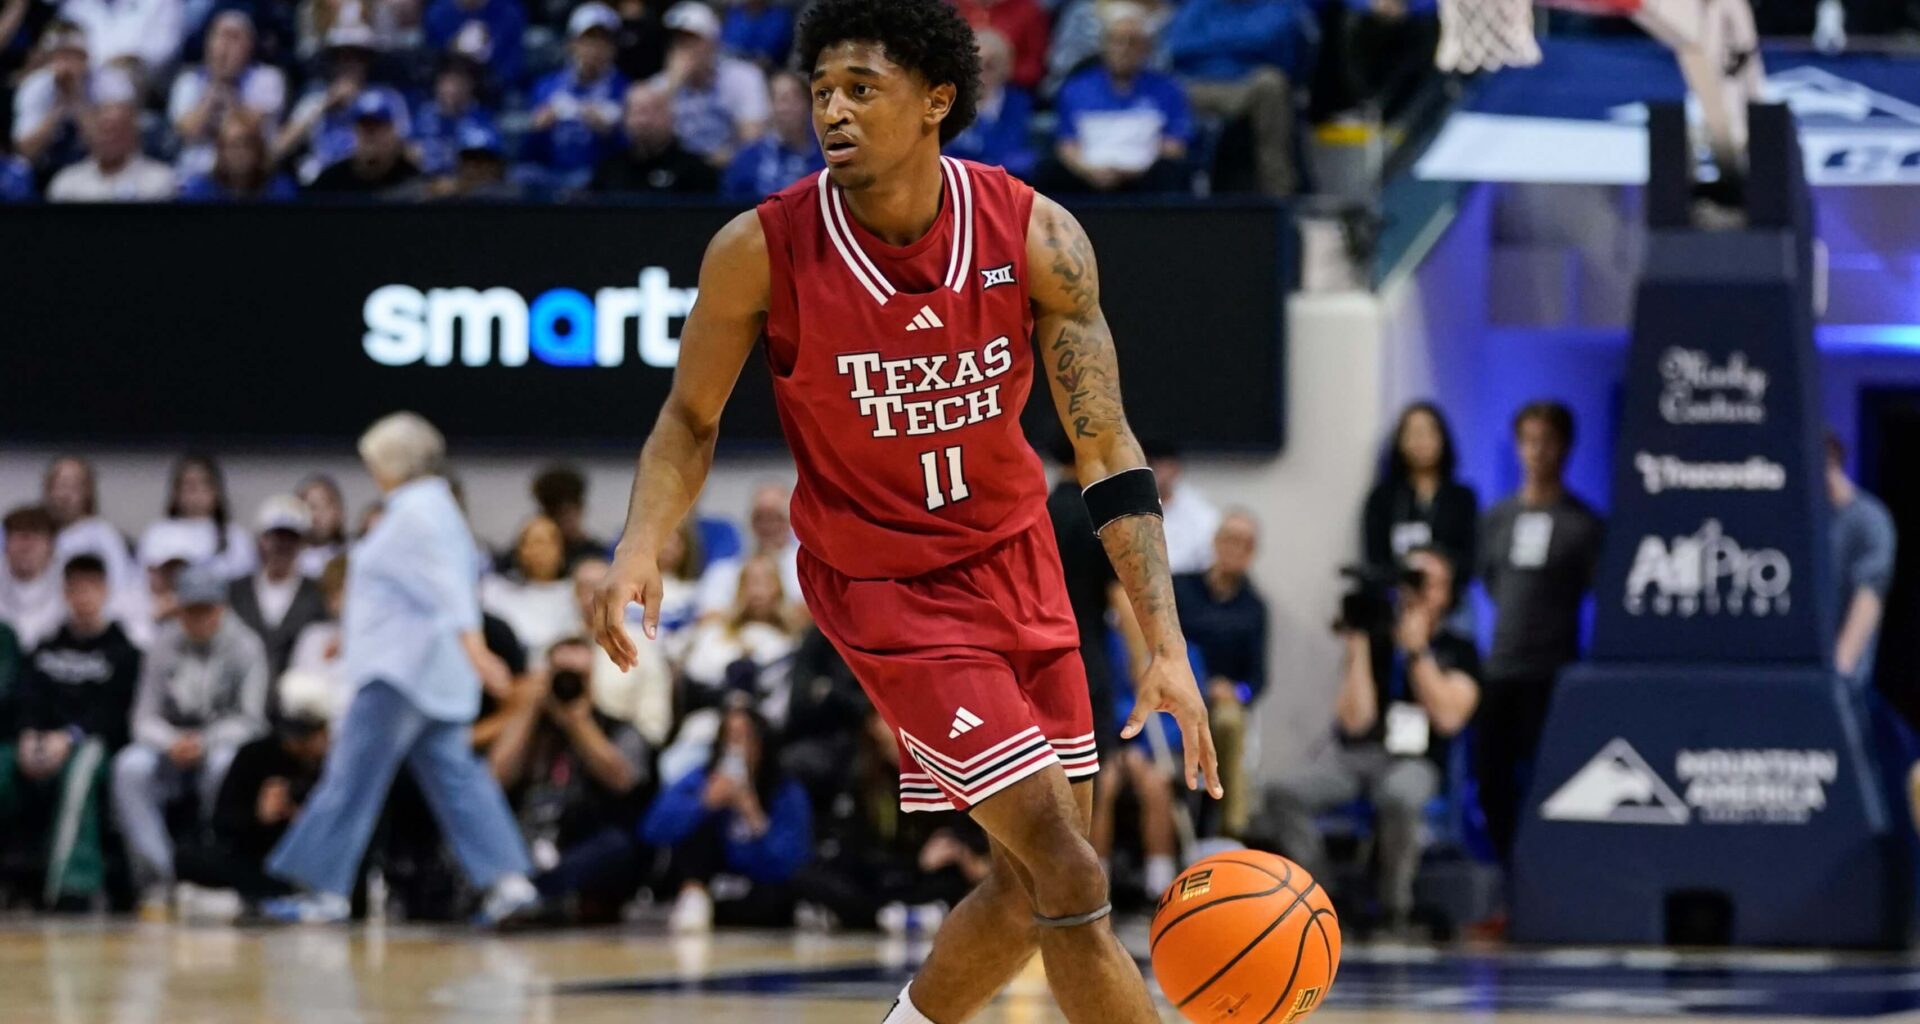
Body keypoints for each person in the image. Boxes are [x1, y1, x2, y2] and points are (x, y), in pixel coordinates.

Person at [588, 2, 1217, 1019]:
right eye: (821, 89)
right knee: (1071, 871)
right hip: (886, 591)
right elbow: (688, 418)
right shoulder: (759, 249)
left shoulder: (1039, 235)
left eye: (861, 88)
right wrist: (638, 543)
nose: (831, 109)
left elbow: (1105, 445)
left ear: (936, 100)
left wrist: (1164, 643)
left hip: (1019, 565)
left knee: (1028, 890)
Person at [262, 413, 537, 926]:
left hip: (399, 676)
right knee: (457, 778)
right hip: (428, 673)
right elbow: (409, 589)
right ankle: (508, 882)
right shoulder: (436, 509)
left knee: (349, 780)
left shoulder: (414, 513)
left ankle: (323, 891)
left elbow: (445, 590)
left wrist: (478, 653)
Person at [1262, 546, 1478, 935]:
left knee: (1397, 795)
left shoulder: (1459, 649)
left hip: (1417, 761)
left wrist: (1417, 653)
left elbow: (1449, 717)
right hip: (1358, 756)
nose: (1420, 592)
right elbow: (1356, 719)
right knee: (1280, 791)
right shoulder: (1377, 639)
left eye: (1429, 584)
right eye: (1412, 581)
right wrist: (1358, 643)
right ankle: (1323, 898)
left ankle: (1395, 909)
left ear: (1446, 593)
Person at [1475, 400, 1603, 865]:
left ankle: (1546, 874)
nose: (1538, 452)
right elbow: (1490, 582)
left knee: (1549, 781)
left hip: (1554, 673)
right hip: (1501, 668)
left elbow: (1596, 590)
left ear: (1565, 448)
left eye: (1547, 442)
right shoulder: (1496, 519)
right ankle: (1506, 870)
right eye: (1529, 441)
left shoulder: (1584, 524)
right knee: (1490, 780)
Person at [113, 564, 271, 915]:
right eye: (191, 610)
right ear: (179, 608)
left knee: (225, 765)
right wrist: (171, 741)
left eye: (207, 609)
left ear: (222, 607)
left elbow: (252, 720)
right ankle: (159, 877)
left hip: (217, 748)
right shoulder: (162, 643)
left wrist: (206, 741)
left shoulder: (247, 646)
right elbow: (143, 717)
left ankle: (213, 872)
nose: (199, 618)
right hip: (169, 752)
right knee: (129, 767)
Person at [4, 554, 140, 907]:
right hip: (41, 742)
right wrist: (27, 735)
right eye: (75, 589)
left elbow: (115, 715)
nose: (83, 597)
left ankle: (70, 886)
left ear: (105, 591)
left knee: (81, 769)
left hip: (93, 746)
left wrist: (69, 737)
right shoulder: (47, 647)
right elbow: (26, 698)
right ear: (64, 593)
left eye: (90, 589)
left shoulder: (123, 652)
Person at [486, 637, 651, 902]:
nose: (567, 683)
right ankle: (524, 891)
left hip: (581, 843)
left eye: (578, 676)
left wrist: (577, 722)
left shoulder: (616, 727)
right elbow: (494, 778)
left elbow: (622, 779)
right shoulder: (532, 726)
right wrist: (528, 710)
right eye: (560, 674)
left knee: (616, 846)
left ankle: (533, 895)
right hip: (524, 838)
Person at [641, 702, 811, 931]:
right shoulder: (701, 778)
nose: (735, 747)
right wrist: (703, 803)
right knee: (694, 830)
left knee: (782, 896)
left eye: (743, 737)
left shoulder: (785, 790)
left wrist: (754, 817)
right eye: (729, 737)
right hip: (711, 878)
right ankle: (694, 896)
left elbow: (790, 861)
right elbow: (651, 829)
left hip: (758, 886)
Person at [174, 669, 330, 906]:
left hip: (315, 858)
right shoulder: (255, 756)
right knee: (189, 856)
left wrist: (303, 819)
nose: (298, 745)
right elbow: (223, 824)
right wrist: (260, 816)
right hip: (259, 856)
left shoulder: (336, 765)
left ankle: (269, 893)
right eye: (294, 736)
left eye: (308, 736)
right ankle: (267, 893)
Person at [1173, 510, 1266, 837]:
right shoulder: (1181, 589)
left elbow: (1257, 681)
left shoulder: (1253, 607)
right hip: (1176, 694)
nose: (1234, 549)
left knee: (1228, 719)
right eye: (1229, 540)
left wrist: (1235, 691)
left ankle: (1230, 826)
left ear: (1252, 552)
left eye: (1244, 544)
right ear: (1214, 542)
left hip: (1220, 703)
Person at [1041, 3, 1190, 194]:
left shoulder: (1168, 89)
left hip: (1145, 179)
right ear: (1104, 45)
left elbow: (1174, 146)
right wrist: (1090, 171)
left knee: (1169, 172)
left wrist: (1132, 171)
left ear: (1146, 48)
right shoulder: (1075, 89)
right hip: (1088, 177)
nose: (1124, 49)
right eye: (1116, 41)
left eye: (1132, 42)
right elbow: (1067, 145)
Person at [1164, 0, 1309, 195]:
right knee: (1166, 89)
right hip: (1199, 86)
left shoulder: (1276, 7)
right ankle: (1175, 196)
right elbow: (1179, 46)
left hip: (1249, 85)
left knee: (1272, 84)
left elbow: (1276, 46)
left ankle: (1278, 193)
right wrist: (1242, 44)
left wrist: (1215, 42)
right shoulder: (1198, 6)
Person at [1363, 401, 1479, 603]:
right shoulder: (1383, 498)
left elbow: (1472, 557)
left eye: (1428, 432)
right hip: (1399, 602)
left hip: (1451, 602)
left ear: (1443, 438)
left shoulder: (1461, 497)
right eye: (1414, 433)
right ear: (1400, 441)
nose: (1421, 441)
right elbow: (1375, 559)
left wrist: (1438, 570)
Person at [274, 23, 409, 185]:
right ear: (333, 60)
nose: (350, 63)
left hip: (373, 177)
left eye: (358, 57)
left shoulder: (387, 97)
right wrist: (325, 105)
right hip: (323, 182)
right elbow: (279, 148)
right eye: (342, 56)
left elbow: (405, 147)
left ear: (368, 60)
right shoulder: (315, 97)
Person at [167, 11, 287, 180]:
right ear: (207, 43)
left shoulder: (267, 78)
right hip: (195, 172)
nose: (226, 45)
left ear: (250, 45)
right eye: (220, 36)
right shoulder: (188, 81)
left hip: (250, 174)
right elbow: (190, 131)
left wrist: (229, 85)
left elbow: (247, 131)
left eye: (235, 38)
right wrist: (215, 84)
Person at [680, 554, 803, 716]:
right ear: (739, 589)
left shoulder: (794, 640)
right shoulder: (716, 633)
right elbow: (697, 674)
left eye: (765, 582)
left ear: (779, 587)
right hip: (715, 715)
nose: (757, 592)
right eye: (750, 582)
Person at [652, 0, 768, 167]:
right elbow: (649, 138)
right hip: (679, 171)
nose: (684, 49)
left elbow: (753, 139)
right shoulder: (661, 86)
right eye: (678, 42)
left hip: (730, 168)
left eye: (692, 41)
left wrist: (725, 158)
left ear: (713, 43)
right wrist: (672, 87)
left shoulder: (744, 76)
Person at [526, 1, 629, 189]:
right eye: (588, 39)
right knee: (523, 175)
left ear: (613, 47)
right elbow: (529, 151)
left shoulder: (624, 89)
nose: (595, 49)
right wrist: (538, 130)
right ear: (572, 43)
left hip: (596, 174)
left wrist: (610, 133)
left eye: (603, 40)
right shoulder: (546, 86)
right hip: (550, 170)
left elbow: (629, 151)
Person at [228, 496, 329, 684]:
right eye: (276, 538)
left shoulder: (318, 594)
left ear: (302, 544)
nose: (282, 547)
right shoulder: (236, 592)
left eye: (291, 539)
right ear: (262, 540)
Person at [572, 558, 672, 746]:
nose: (589, 598)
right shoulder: (559, 644)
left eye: (596, 588)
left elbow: (654, 722)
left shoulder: (641, 645)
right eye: (581, 589)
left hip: (623, 741)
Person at [1827, 432, 1896, 689]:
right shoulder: (1810, 522)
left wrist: (1840, 666)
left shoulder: (1869, 520)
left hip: (1843, 684)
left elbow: (1869, 594)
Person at [482, 516, 582, 668]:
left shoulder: (577, 593)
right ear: (520, 551)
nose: (539, 551)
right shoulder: (494, 591)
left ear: (560, 550)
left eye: (546, 542)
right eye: (532, 543)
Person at [138, 455, 256, 581]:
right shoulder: (158, 533)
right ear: (176, 492)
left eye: (203, 484)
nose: (196, 493)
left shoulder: (235, 536)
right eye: (189, 485)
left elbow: (245, 583)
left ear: (216, 491)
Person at [588, 80, 718, 193]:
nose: (644, 120)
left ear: (670, 116)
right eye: (637, 112)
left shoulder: (696, 171)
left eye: (652, 111)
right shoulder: (608, 170)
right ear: (626, 118)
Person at [43, 457, 138, 609]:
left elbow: (119, 586)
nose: (64, 495)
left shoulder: (103, 535)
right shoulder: (37, 534)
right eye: (59, 485)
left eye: (73, 487)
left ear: (87, 492)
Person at [695, 481, 802, 617]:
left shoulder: (805, 568)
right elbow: (708, 615)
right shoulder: (724, 570)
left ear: (792, 521)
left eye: (776, 518)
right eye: (760, 518)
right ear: (750, 522)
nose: (768, 525)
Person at [941, 28, 1034, 178]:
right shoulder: (945, 99)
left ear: (1007, 68)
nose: (982, 72)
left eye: (991, 65)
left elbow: (1017, 157)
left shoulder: (1019, 103)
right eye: (976, 64)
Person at [47, 97, 177, 201]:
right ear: (89, 136)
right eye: (103, 130)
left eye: (118, 130)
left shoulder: (159, 180)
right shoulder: (67, 182)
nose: (110, 137)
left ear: (134, 136)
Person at [722, 70, 823, 200]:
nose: (789, 107)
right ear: (770, 105)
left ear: (809, 104)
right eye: (782, 99)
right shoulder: (748, 159)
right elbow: (729, 205)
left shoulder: (826, 156)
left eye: (796, 98)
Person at [12, 23, 95, 178]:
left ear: (86, 58)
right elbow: (25, 150)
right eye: (61, 56)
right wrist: (58, 108)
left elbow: (106, 147)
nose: (67, 65)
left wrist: (77, 99)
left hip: (92, 170)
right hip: (43, 169)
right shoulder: (34, 85)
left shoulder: (105, 83)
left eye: (73, 56)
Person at [307, 90, 421, 194]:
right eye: (364, 126)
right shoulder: (331, 182)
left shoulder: (412, 181)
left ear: (394, 131)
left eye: (377, 126)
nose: (370, 135)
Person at [409, 57, 498, 178]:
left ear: (470, 86)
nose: (452, 90)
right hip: (424, 183)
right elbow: (409, 149)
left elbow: (488, 163)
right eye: (447, 82)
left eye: (459, 83)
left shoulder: (482, 118)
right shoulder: (423, 114)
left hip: (467, 186)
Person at [179, 113, 299, 200]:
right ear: (221, 151)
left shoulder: (281, 189)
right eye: (232, 146)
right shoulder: (199, 191)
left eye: (246, 144)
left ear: (258, 148)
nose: (239, 153)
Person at [57, 0, 183, 77]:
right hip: (86, 89)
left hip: (144, 88)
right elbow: (65, 47)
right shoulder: (73, 5)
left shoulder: (160, 2)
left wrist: (134, 60)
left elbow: (164, 51)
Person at [421, 0, 526, 91]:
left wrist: (482, 66)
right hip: (448, 90)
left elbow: (513, 66)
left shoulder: (509, 14)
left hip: (495, 91)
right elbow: (430, 65)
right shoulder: (437, 14)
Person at [1149, 442, 1221, 575]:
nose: (1153, 471)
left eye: (1160, 464)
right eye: (1149, 463)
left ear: (1175, 468)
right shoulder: (1124, 507)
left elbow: (1211, 565)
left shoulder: (1201, 513)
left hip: (1188, 588)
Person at [1, 506, 65, 649]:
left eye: (35, 538)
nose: (26, 548)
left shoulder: (69, 582)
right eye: (18, 537)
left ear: (51, 548)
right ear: (5, 546)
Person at [952, 0, 1048, 92]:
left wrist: (1003, 70)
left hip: (1009, 89)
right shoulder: (952, 6)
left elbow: (1035, 66)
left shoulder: (1028, 10)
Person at [530, 465, 607, 569]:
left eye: (568, 513)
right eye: (558, 514)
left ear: (581, 508)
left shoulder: (596, 555)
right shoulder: (527, 556)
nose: (565, 520)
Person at [295, 474, 350, 578]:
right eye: (311, 507)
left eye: (323, 507)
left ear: (338, 512)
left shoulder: (354, 557)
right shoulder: (286, 561)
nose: (315, 516)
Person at [720, 0, 793, 68]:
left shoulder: (779, 18)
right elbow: (726, 45)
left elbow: (769, 56)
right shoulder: (734, 13)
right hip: (730, 66)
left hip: (766, 72)